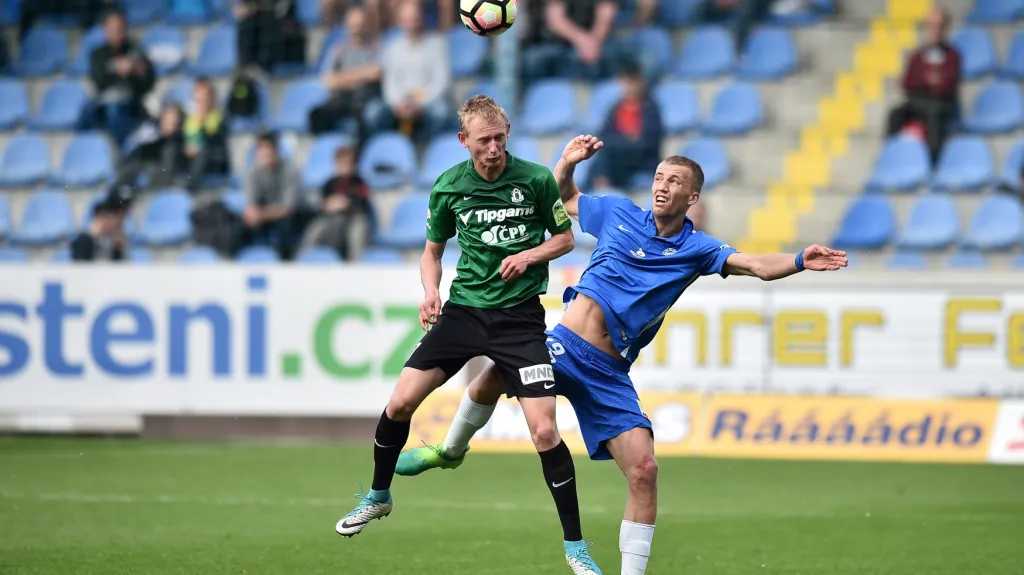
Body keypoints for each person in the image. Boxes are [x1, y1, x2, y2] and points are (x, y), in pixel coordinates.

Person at [396, 135, 848, 575]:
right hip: (563, 345)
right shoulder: (616, 211)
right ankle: (451, 450)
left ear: (692, 197)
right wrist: (569, 161)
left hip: (609, 372)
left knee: (645, 470)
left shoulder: (698, 249)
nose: (662, 185)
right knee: (491, 377)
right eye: (658, 176)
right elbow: (562, 198)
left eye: (673, 181)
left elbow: (756, 265)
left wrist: (799, 259)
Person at [335, 96, 605, 575]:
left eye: (501, 137)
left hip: (520, 321)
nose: (496, 148)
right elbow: (431, 252)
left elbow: (564, 239)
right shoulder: (448, 187)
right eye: (485, 140)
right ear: (465, 142)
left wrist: (529, 256)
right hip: (463, 314)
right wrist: (429, 292)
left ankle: (576, 548)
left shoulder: (536, 179)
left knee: (545, 430)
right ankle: (378, 496)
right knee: (400, 403)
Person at [364, 0, 451, 144]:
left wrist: (418, 104)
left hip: (426, 101)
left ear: (422, 18)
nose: (412, 23)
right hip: (399, 103)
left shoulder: (438, 44)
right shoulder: (393, 48)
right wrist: (398, 103)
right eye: (408, 19)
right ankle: (387, 149)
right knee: (372, 112)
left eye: (415, 18)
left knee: (440, 112)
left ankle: (431, 151)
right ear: (401, 21)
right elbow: (390, 83)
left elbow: (441, 83)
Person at [885, 7, 960, 163]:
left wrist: (927, 82)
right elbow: (907, 82)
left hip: (942, 104)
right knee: (895, 114)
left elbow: (946, 86)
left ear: (945, 29)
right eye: (931, 26)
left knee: (935, 117)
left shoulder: (953, 56)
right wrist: (929, 81)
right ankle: (889, 157)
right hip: (919, 101)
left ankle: (932, 162)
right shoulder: (917, 55)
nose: (935, 31)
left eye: (939, 26)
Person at [82, 10, 156, 148]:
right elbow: (99, 82)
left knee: (114, 110)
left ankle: (118, 150)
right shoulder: (97, 54)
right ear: (105, 29)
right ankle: (85, 149)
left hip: (130, 103)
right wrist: (118, 71)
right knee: (86, 111)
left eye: (120, 27)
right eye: (113, 27)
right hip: (104, 101)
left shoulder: (136, 50)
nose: (117, 31)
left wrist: (135, 72)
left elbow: (148, 84)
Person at [588, 60, 662, 191]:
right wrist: (626, 139)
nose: (630, 86)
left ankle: (602, 188)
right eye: (627, 81)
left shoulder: (650, 108)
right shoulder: (616, 107)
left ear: (641, 82)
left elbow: (646, 143)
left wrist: (622, 141)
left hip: (641, 161)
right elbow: (604, 135)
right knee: (597, 159)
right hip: (617, 156)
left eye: (633, 81)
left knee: (608, 156)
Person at [308, 6, 381, 136]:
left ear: (366, 25)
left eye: (360, 25)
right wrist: (359, 77)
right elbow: (328, 79)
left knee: (364, 117)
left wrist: (342, 77)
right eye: (353, 25)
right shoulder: (338, 51)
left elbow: (374, 73)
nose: (356, 30)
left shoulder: (375, 50)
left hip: (362, 102)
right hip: (341, 100)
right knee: (316, 115)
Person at [300, 144, 372, 260]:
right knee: (315, 230)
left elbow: (362, 202)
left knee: (357, 231)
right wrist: (329, 205)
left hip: (353, 218)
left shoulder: (360, 183)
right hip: (332, 218)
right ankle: (305, 259)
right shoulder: (330, 183)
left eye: (348, 163)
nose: (344, 167)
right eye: (341, 163)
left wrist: (345, 204)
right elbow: (323, 203)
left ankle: (356, 265)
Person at [243, 132, 303, 259]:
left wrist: (262, 214)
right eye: (262, 151)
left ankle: (285, 265)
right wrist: (255, 214)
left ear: (276, 151)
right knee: (240, 227)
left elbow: (288, 208)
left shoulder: (290, 169)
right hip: (265, 216)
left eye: (268, 150)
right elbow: (250, 205)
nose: (265, 155)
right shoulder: (253, 171)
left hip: (289, 218)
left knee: (285, 227)